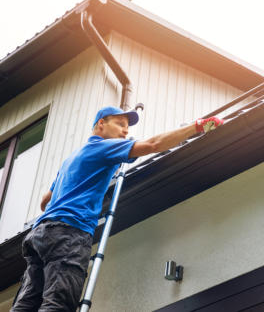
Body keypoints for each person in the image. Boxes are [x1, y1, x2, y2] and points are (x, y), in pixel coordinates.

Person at [11, 106, 224, 311]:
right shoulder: (103, 147)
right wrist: (197, 126)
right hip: (68, 233)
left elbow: (44, 202)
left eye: (127, 127)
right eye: (120, 124)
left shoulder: (71, 159)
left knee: (26, 304)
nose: (125, 130)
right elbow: (152, 144)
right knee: (59, 302)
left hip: (40, 234)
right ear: (101, 124)